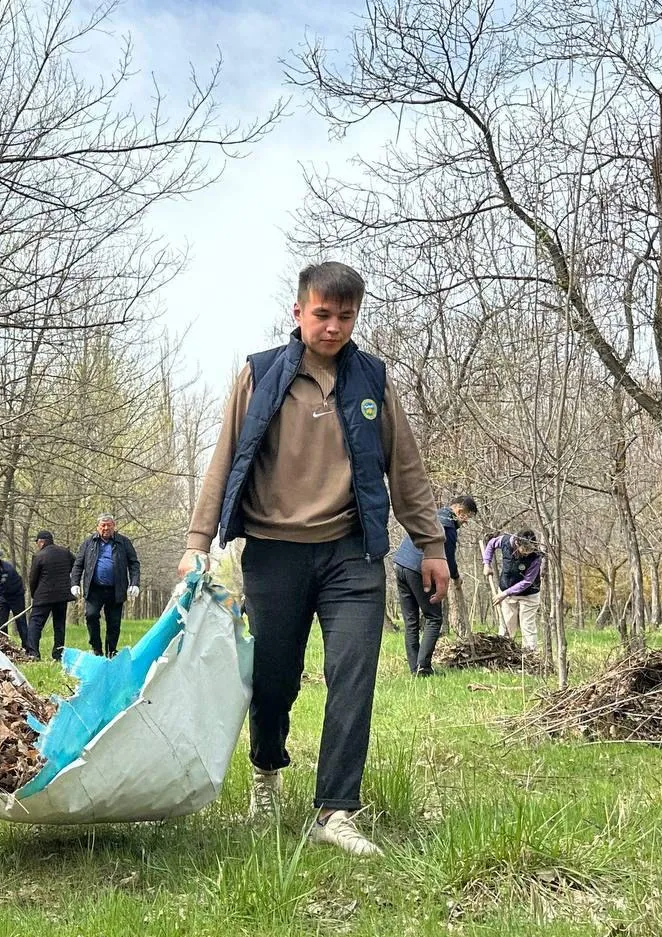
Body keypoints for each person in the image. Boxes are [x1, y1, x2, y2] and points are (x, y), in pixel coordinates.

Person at [179, 261, 446, 857]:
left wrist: (430, 545)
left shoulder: (372, 381)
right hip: (274, 553)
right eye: (322, 314)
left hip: (352, 553)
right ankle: (266, 770)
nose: (333, 327)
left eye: (345, 316)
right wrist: (198, 544)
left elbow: (405, 468)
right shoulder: (260, 374)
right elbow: (225, 459)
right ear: (298, 312)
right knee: (274, 682)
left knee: (353, 677)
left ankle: (336, 810)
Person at [391, 495, 478, 675]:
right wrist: (456, 577)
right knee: (434, 618)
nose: (466, 521)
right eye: (467, 516)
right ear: (459, 511)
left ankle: (415, 668)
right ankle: (423, 668)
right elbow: (448, 560)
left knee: (411, 622)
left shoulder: (432, 515)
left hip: (400, 565)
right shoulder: (448, 526)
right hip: (418, 569)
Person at [70, 515, 140, 657]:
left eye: (109, 525)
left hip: (116, 589)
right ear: (98, 527)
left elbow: (134, 563)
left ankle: (111, 651)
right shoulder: (89, 543)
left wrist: (134, 583)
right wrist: (75, 583)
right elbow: (78, 564)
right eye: (103, 525)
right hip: (94, 588)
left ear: (114, 526)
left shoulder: (123, 542)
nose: (106, 528)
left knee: (113, 622)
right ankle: (96, 648)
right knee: (91, 615)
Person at [483, 530, 543, 652]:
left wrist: (504, 594)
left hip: (529, 594)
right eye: (525, 550)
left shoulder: (536, 556)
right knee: (507, 624)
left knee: (527, 625)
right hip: (506, 591)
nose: (527, 553)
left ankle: (530, 654)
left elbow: (527, 582)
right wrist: (486, 564)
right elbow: (490, 544)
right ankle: (504, 653)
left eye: (530, 550)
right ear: (517, 543)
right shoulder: (505, 540)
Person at [27, 530, 75, 660]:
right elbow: (74, 565)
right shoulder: (65, 552)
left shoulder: (40, 556)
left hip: (43, 596)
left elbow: (33, 578)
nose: (37, 545)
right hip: (62, 595)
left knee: (35, 623)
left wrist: (34, 594)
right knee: (59, 624)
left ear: (41, 541)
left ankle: (33, 653)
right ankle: (58, 654)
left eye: (37, 542)